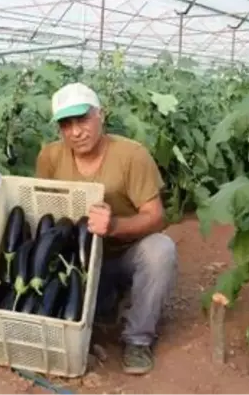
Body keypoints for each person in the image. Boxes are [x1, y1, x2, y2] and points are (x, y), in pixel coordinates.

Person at [35, 82, 177, 375]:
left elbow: (156, 217)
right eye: (66, 124)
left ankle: (138, 340)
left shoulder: (131, 156)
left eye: (82, 119)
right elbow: (43, 210)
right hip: (77, 259)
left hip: (124, 254)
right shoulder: (49, 157)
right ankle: (102, 305)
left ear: (101, 115)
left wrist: (114, 226)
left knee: (161, 250)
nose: (75, 131)